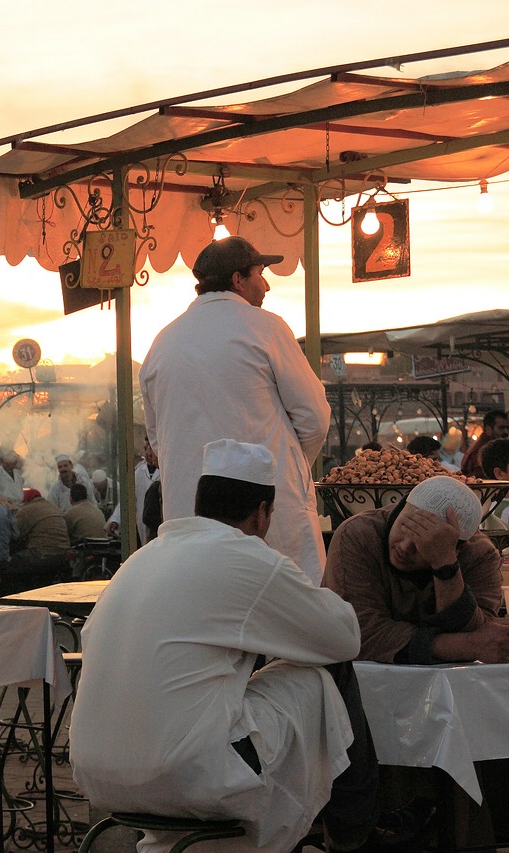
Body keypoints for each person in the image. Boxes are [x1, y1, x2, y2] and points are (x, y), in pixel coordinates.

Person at [71, 439, 428, 853]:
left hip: (97, 772)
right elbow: (344, 638)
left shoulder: (142, 559)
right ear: (263, 513)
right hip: (184, 772)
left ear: (201, 502)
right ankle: (356, 837)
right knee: (331, 671)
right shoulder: (248, 558)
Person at [139, 236, 331, 581]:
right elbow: (314, 417)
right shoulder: (266, 327)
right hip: (263, 512)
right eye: (260, 274)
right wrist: (284, 465)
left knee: (205, 611)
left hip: (188, 517)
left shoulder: (162, 342)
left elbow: (158, 439)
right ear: (238, 280)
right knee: (284, 608)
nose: (267, 284)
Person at [323, 475, 506, 664]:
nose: (404, 547)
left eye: (422, 544)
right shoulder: (357, 534)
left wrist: (445, 565)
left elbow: (480, 632)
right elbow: (356, 632)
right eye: (405, 527)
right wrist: (465, 646)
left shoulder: (480, 555)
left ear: (458, 548)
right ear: (401, 508)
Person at [10, 488, 70, 573]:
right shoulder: (53, 507)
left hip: (43, 553)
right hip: (63, 553)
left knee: (13, 560)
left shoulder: (27, 509)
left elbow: (16, 533)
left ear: (27, 500)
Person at [460, 409, 509, 478]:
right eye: (501, 428)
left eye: (507, 428)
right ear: (488, 429)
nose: (506, 432)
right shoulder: (482, 449)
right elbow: (480, 476)